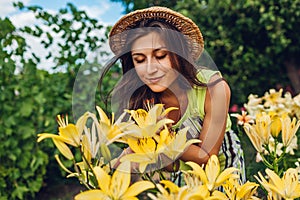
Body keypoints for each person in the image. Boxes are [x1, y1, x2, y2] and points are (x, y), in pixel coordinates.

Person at [101, 6, 246, 184]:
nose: (150, 69)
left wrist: (165, 138)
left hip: (224, 168)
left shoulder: (214, 87)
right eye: (139, 60)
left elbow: (207, 156)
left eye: (161, 56)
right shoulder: (145, 102)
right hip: (184, 174)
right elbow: (171, 166)